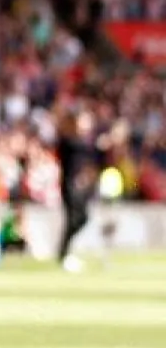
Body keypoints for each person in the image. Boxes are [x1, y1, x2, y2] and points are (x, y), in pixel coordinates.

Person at [55, 110, 97, 273]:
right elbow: (83, 149)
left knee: (81, 218)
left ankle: (64, 251)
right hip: (70, 186)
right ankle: (64, 253)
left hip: (80, 186)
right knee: (73, 219)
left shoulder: (80, 142)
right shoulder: (68, 141)